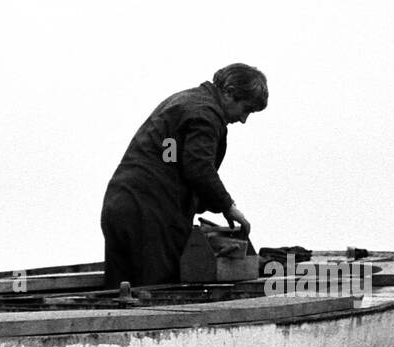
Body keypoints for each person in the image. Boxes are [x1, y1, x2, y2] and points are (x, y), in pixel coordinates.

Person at [100, 64, 268, 287]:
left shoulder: (184, 101)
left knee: (120, 294)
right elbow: (198, 169)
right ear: (228, 92)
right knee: (158, 294)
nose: (244, 119)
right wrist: (228, 206)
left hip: (120, 205)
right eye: (245, 109)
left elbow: (178, 164)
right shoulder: (205, 115)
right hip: (151, 215)